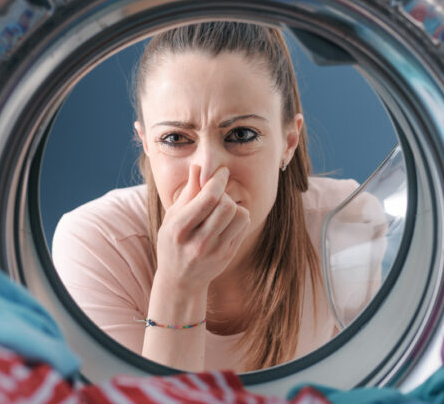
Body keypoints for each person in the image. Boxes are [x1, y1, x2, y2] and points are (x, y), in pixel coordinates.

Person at [52, 21, 384, 372]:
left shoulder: (347, 222)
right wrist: (180, 286)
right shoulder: (95, 244)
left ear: (289, 142)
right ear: (147, 143)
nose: (209, 170)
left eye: (241, 134)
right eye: (176, 139)